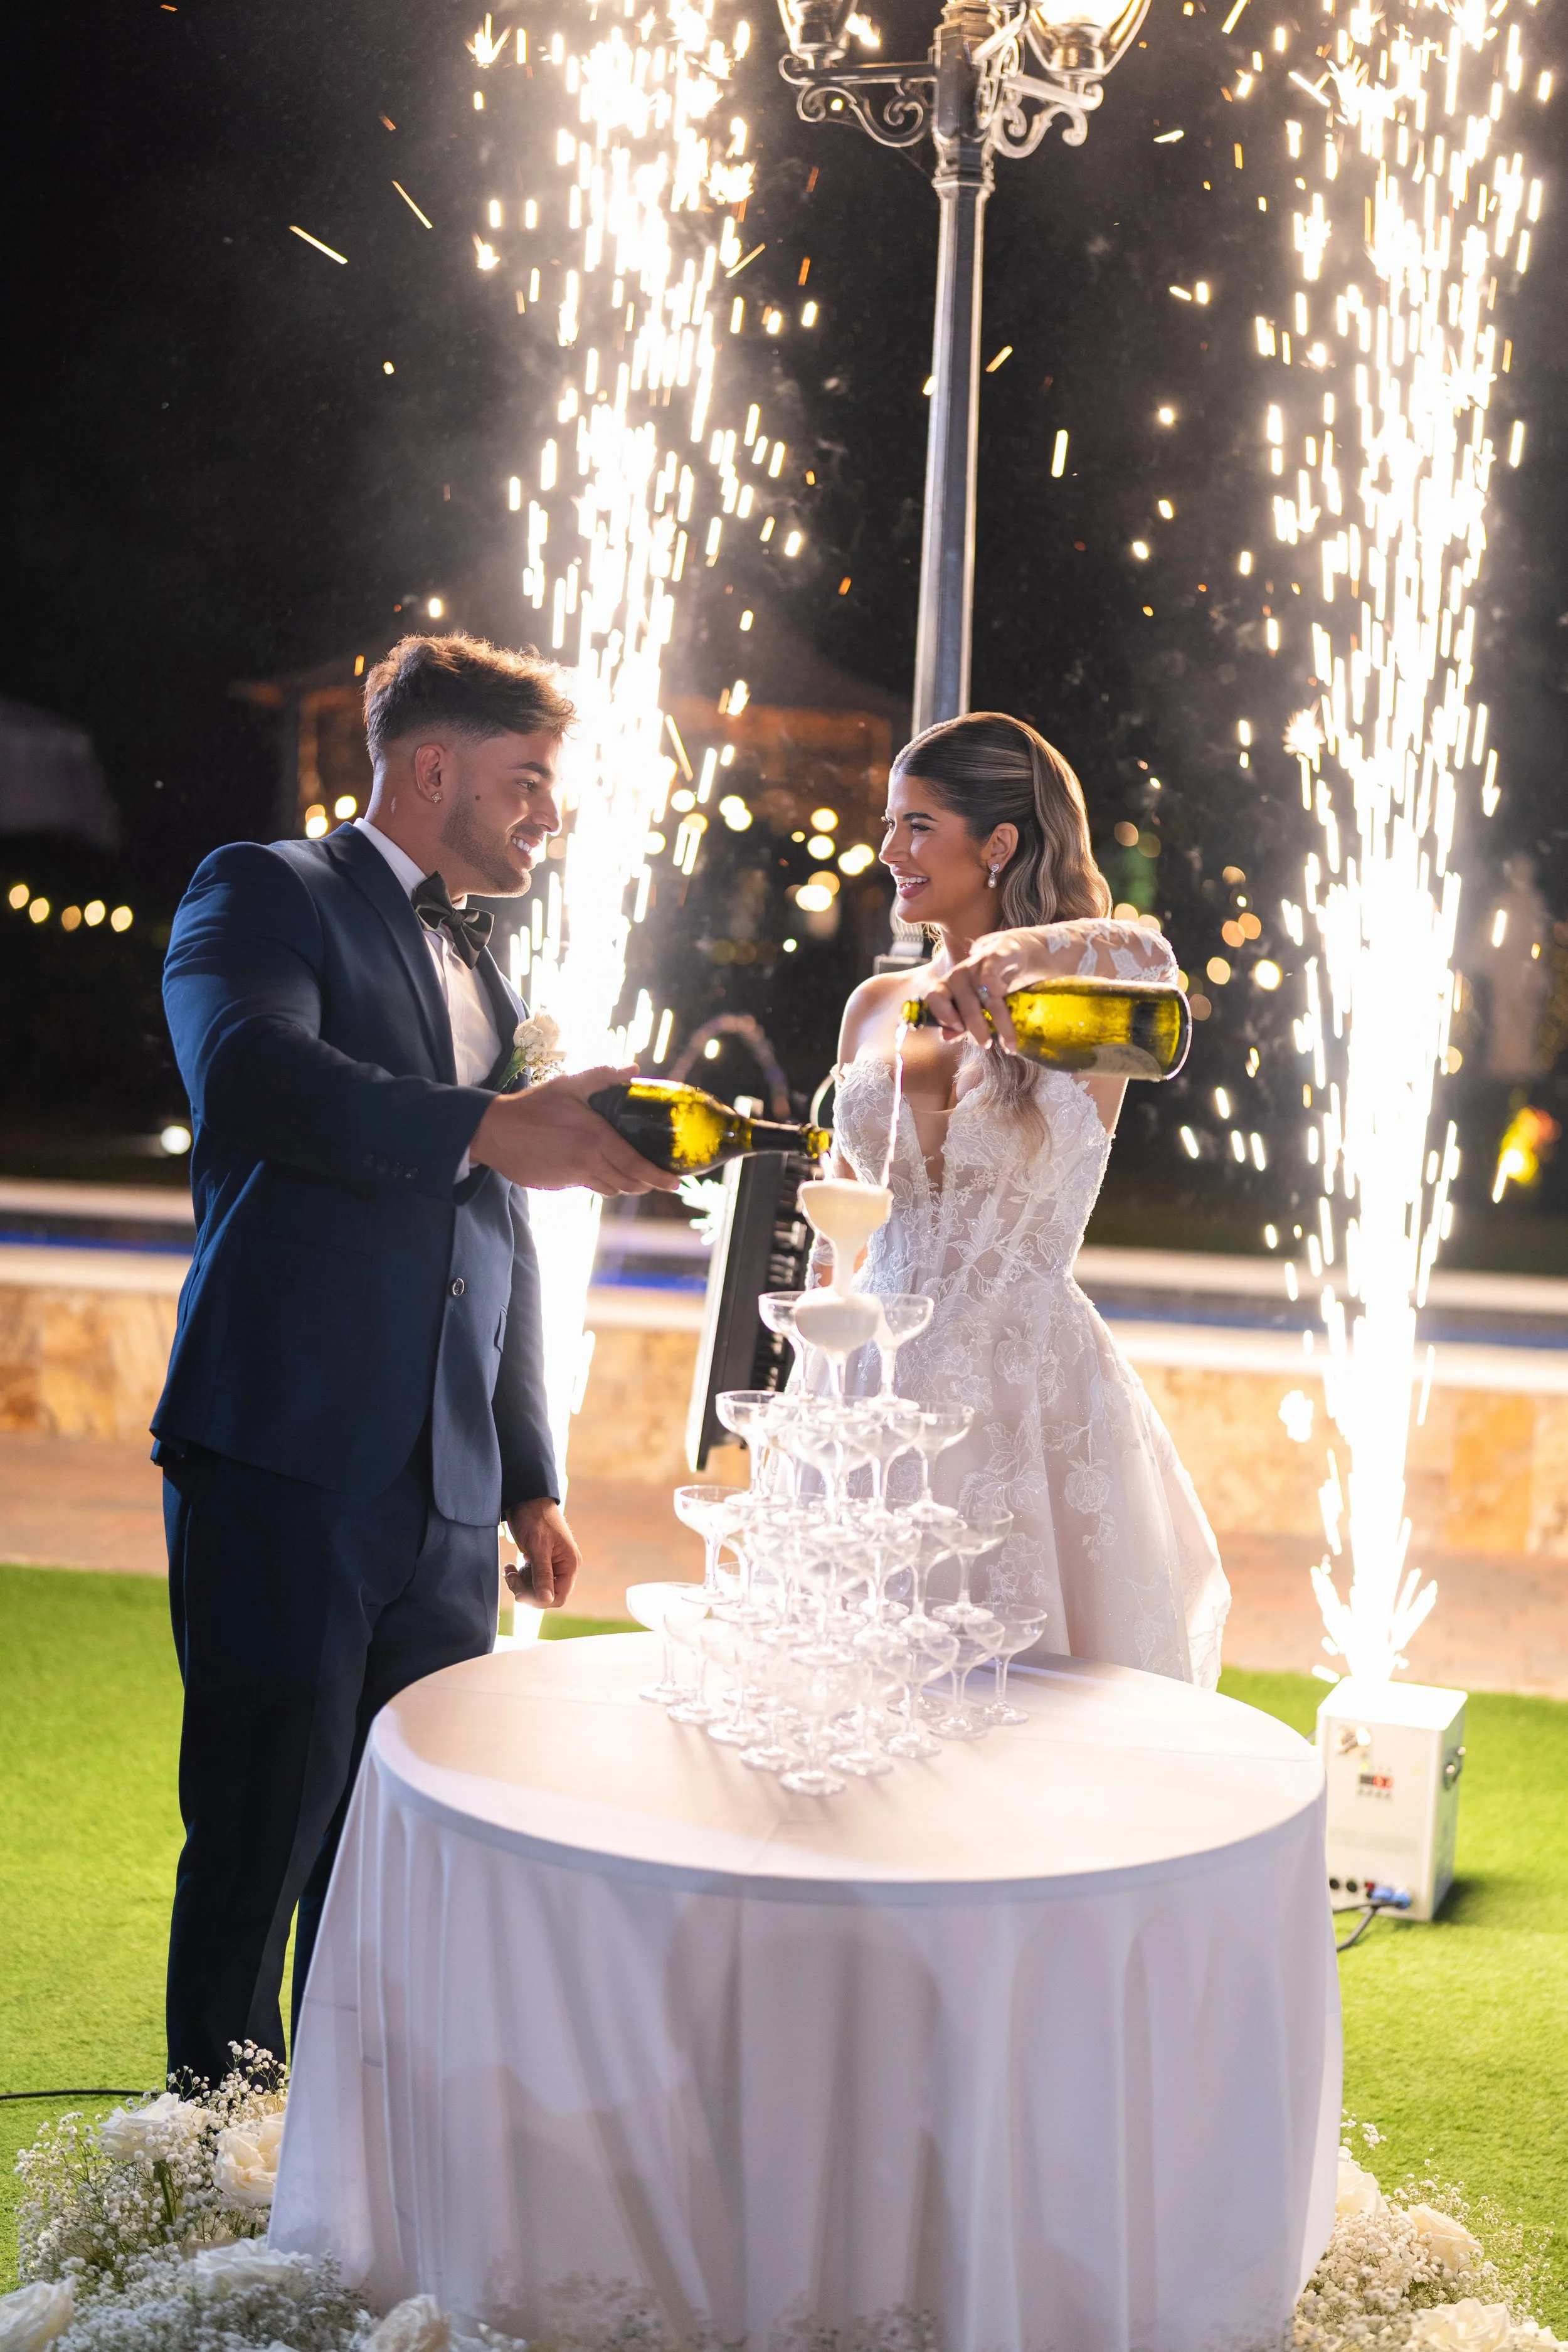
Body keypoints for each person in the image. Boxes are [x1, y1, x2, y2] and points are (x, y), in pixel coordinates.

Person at [154, 632, 677, 2086]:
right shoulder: (264, 890)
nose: (546, 817)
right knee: (266, 1820)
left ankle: (351, 2134)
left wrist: (527, 1475)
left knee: (400, 1838)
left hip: (447, 1485)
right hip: (287, 1449)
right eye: (527, 784)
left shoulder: (483, 962)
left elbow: (490, 1229)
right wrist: (487, 1123)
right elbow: (252, 1078)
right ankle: (220, 2148)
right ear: (432, 768)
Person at [825, 712, 1230, 1687]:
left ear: (998, 843)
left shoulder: (1089, 999)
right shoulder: (876, 1008)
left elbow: (1156, 959)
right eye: (890, 824)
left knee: (1013, 1699)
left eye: (917, 825)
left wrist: (1013, 957)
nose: (889, 851)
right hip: (868, 1380)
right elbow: (844, 1212)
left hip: (1021, 1394)